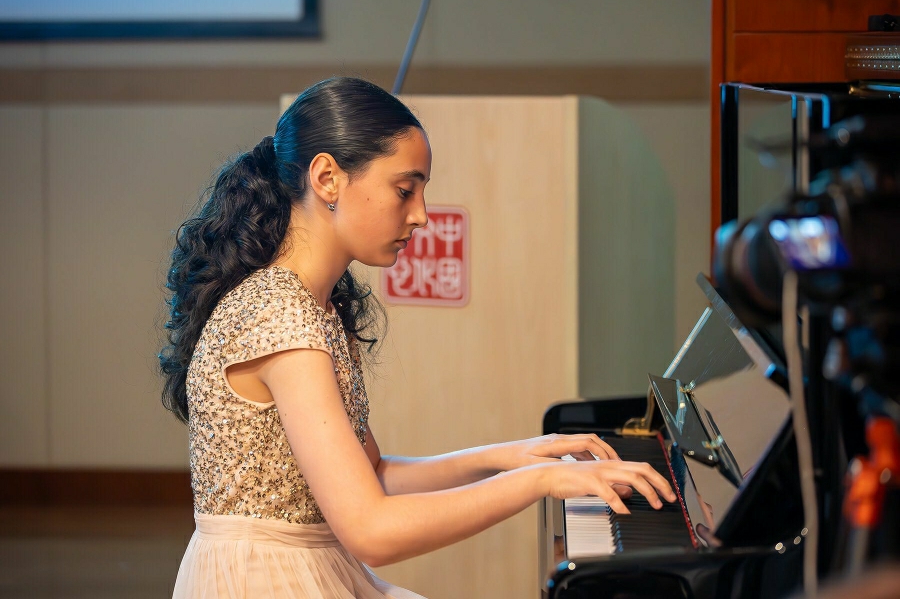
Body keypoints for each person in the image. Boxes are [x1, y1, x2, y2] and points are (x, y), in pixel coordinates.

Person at [159, 77, 676, 599]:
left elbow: (375, 474)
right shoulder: (279, 315)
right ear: (327, 179)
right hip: (263, 581)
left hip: (307, 567)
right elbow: (371, 532)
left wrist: (510, 456)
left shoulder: (312, 304)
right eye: (405, 190)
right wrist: (537, 482)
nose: (421, 215)